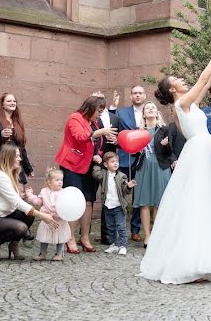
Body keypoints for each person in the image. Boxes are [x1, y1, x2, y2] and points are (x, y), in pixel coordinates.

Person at [139, 43, 211, 284]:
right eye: (177, 79)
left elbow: (206, 83)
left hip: (205, 152)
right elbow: (201, 80)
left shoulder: (189, 104)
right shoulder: (181, 104)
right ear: (172, 88)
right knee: (199, 202)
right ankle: (194, 261)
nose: (182, 80)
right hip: (199, 154)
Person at [54, 94, 112, 254]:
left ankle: (84, 237)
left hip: (89, 165)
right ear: (91, 108)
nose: (99, 115)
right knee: (74, 201)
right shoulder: (75, 118)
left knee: (88, 201)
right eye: (98, 111)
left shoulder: (94, 122)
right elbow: (80, 138)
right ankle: (70, 237)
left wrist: (99, 153)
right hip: (72, 165)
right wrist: (100, 132)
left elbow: (97, 144)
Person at [0, 145, 56, 261]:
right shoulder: (1, 177)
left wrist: (24, 195)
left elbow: (11, 198)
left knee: (29, 216)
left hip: (6, 215)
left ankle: (13, 244)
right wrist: (43, 216)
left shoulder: (11, 174)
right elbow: (16, 202)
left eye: (19, 156)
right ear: (7, 157)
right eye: (16, 156)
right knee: (21, 228)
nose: (20, 159)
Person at [0, 93, 34, 240]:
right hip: (3, 163)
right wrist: (1, 134)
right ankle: (8, 229)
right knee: (8, 198)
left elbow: (22, 147)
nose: (12, 103)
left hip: (17, 164)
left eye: (14, 100)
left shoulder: (17, 121)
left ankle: (16, 236)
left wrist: (27, 166)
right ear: (2, 103)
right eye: (9, 100)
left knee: (19, 197)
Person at [130, 102, 170, 247]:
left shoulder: (165, 130)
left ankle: (158, 235)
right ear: (144, 114)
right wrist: (136, 149)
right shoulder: (138, 131)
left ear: (157, 112)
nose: (151, 109)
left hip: (161, 167)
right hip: (144, 167)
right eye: (147, 108)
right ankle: (147, 236)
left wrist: (166, 145)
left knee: (160, 202)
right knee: (145, 203)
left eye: (153, 107)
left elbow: (170, 153)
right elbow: (132, 152)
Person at [115, 86, 146, 242]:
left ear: (144, 96)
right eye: (135, 93)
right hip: (125, 158)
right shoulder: (121, 113)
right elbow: (115, 130)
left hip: (144, 160)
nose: (138, 95)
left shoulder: (150, 112)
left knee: (139, 196)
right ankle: (117, 229)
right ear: (131, 96)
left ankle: (135, 229)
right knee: (121, 193)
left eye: (140, 93)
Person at [92, 151, 136, 255]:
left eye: (117, 161)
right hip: (108, 206)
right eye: (112, 162)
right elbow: (95, 173)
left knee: (121, 226)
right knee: (110, 227)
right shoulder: (104, 174)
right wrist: (98, 163)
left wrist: (129, 186)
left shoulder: (122, 176)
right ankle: (114, 244)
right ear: (106, 164)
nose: (116, 163)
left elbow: (126, 190)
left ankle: (123, 245)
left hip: (118, 206)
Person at [24, 167, 71, 261]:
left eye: (61, 180)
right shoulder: (44, 191)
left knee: (60, 237)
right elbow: (38, 201)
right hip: (46, 219)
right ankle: (43, 253)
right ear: (49, 182)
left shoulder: (64, 192)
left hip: (59, 219)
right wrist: (30, 196)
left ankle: (59, 253)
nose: (60, 182)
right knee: (44, 237)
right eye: (57, 180)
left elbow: (67, 205)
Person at [98, 91, 121, 245]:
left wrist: (116, 140)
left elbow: (120, 136)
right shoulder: (90, 116)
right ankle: (83, 232)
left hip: (110, 159)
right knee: (91, 197)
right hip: (94, 159)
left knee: (110, 195)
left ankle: (107, 235)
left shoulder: (114, 117)